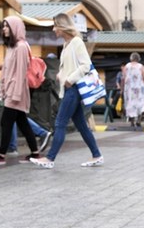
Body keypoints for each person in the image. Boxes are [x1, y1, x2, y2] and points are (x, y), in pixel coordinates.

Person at [30, 13, 103, 169]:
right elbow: (70, 66)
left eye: (55, 25)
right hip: (69, 89)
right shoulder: (66, 44)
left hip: (74, 89)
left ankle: (50, 159)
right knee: (81, 125)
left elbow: (85, 65)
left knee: (60, 123)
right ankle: (97, 155)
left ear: (62, 27)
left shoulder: (77, 42)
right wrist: (61, 75)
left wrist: (70, 79)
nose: (54, 29)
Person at [0, 16, 40, 166]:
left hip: (17, 92)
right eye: (3, 26)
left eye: (7, 26)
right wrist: (2, 68)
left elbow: (21, 73)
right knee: (22, 123)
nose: (4, 29)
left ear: (15, 28)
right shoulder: (12, 47)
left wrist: (15, 95)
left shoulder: (21, 47)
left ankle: (1, 155)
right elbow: (12, 68)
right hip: (11, 90)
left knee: (6, 122)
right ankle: (35, 153)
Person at [121, 52, 144, 128]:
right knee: (140, 104)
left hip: (129, 89)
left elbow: (123, 78)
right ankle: (139, 121)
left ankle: (132, 122)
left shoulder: (127, 66)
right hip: (140, 88)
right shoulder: (141, 66)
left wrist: (122, 88)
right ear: (138, 59)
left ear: (131, 58)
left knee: (130, 104)